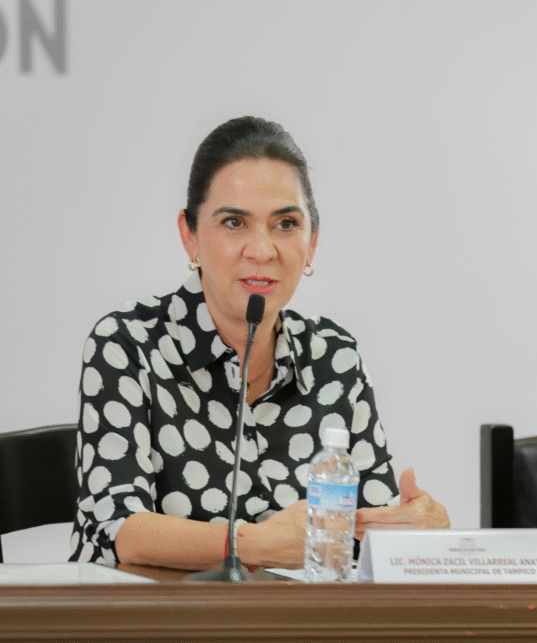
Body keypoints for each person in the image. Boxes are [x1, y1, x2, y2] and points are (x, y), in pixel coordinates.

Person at [71, 116, 450, 569]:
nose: (262, 250)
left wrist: (417, 531)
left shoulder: (334, 357)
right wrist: (250, 545)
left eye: (286, 224)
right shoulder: (129, 345)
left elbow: (364, 537)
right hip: (155, 613)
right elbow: (116, 528)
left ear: (312, 243)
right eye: (234, 222)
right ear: (189, 236)